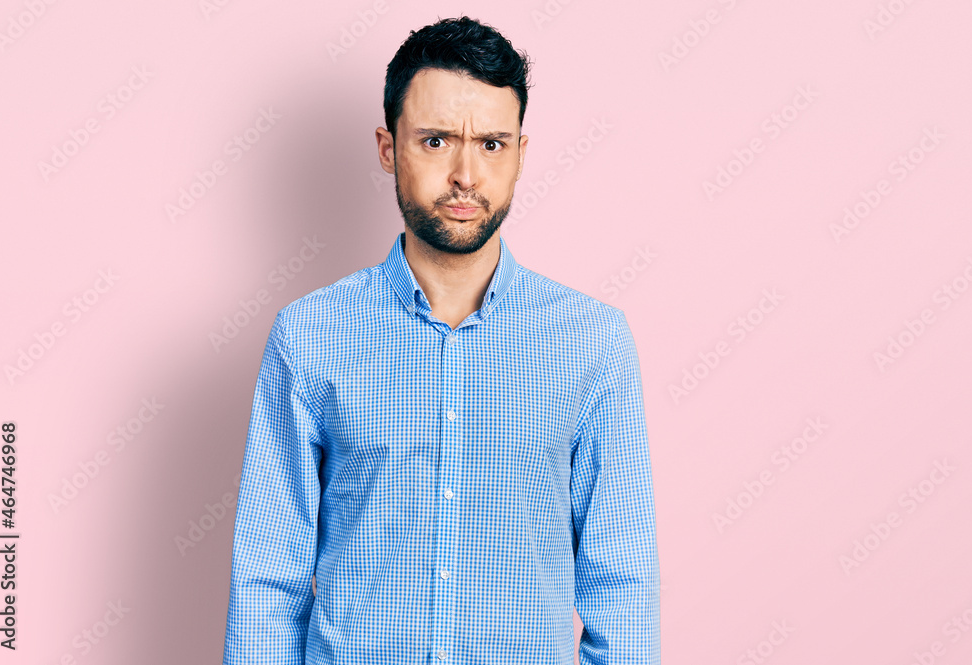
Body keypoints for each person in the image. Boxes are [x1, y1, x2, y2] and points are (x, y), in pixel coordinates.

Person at [223, 15, 660, 665]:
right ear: (387, 148)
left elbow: (622, 584)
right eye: (435, 141)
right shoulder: (309, 336)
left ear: (520, 154)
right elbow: (267, 582)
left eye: (492, 144)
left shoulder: (593, 343)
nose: (465, 174)